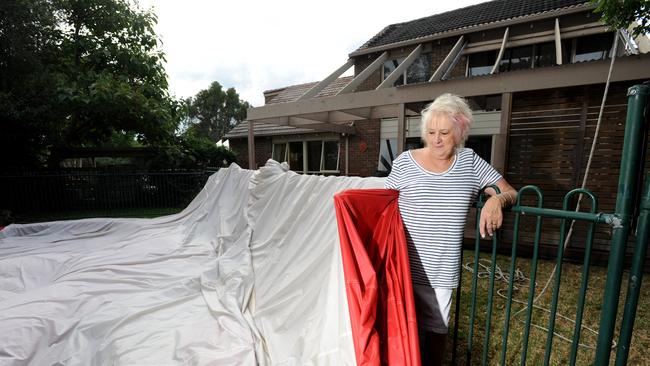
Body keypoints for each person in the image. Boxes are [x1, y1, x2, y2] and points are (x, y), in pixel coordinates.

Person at [385, 93, 517, 365]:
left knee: (435, 335)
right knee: (399, 334)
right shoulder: (404, 162)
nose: (436, 139)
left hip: (441, 271)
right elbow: (383, 209)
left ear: (459, 131)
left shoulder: (469, 161)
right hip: (403, 267)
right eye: (431, 132)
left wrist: (496, 199)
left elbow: (510, 192)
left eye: (444, 132)